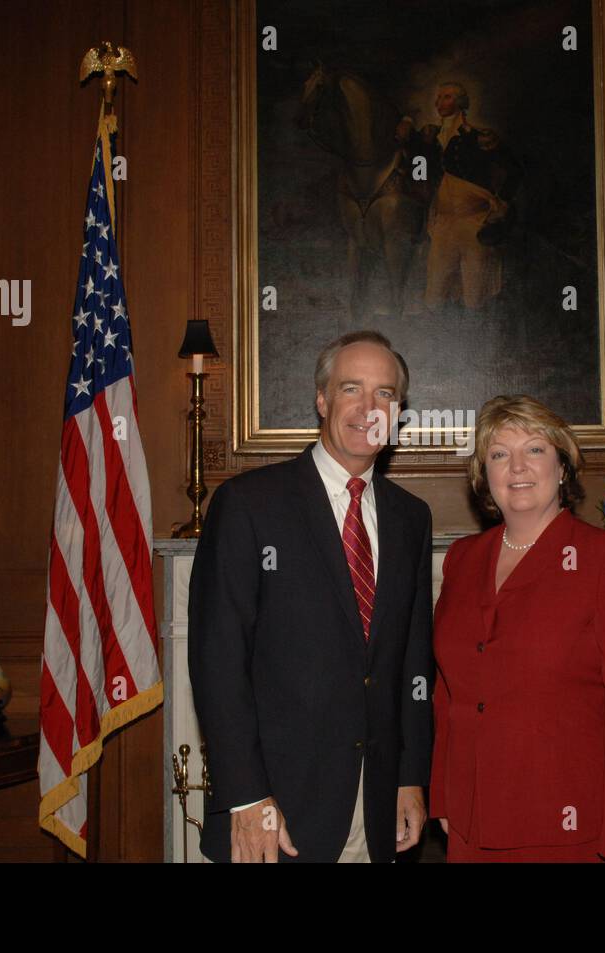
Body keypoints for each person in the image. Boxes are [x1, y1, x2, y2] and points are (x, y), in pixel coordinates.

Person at [188, 330, 434, 862]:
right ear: (322, 400)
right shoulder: (248, 505)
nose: (369, 408)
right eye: (352, 389)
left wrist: (410, 776)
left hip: (377, 813)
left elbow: (413, 660)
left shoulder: (412, 518)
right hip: (276, 814)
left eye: (386, 394)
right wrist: (246, 796)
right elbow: (217, 663)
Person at [430, 395, 605, 862]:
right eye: (499, 454)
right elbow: (445, 693)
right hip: (468, 824)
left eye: (534, 449)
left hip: (563, 827)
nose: (517, 467)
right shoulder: (462, 559)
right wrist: (444, 795)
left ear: (562, 467)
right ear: (484, 475)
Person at [396, 82, 522, 310]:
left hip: (474, 222)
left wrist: (501, 203)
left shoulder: (478, 137)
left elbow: (514, 170)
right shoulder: (430, 138)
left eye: (446, 97)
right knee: (434, 294)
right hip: (443, 223)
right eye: (439, 97)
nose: (439, 102)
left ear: (460, 103)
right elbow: (417, 165)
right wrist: (407, 122)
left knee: (474, 295)